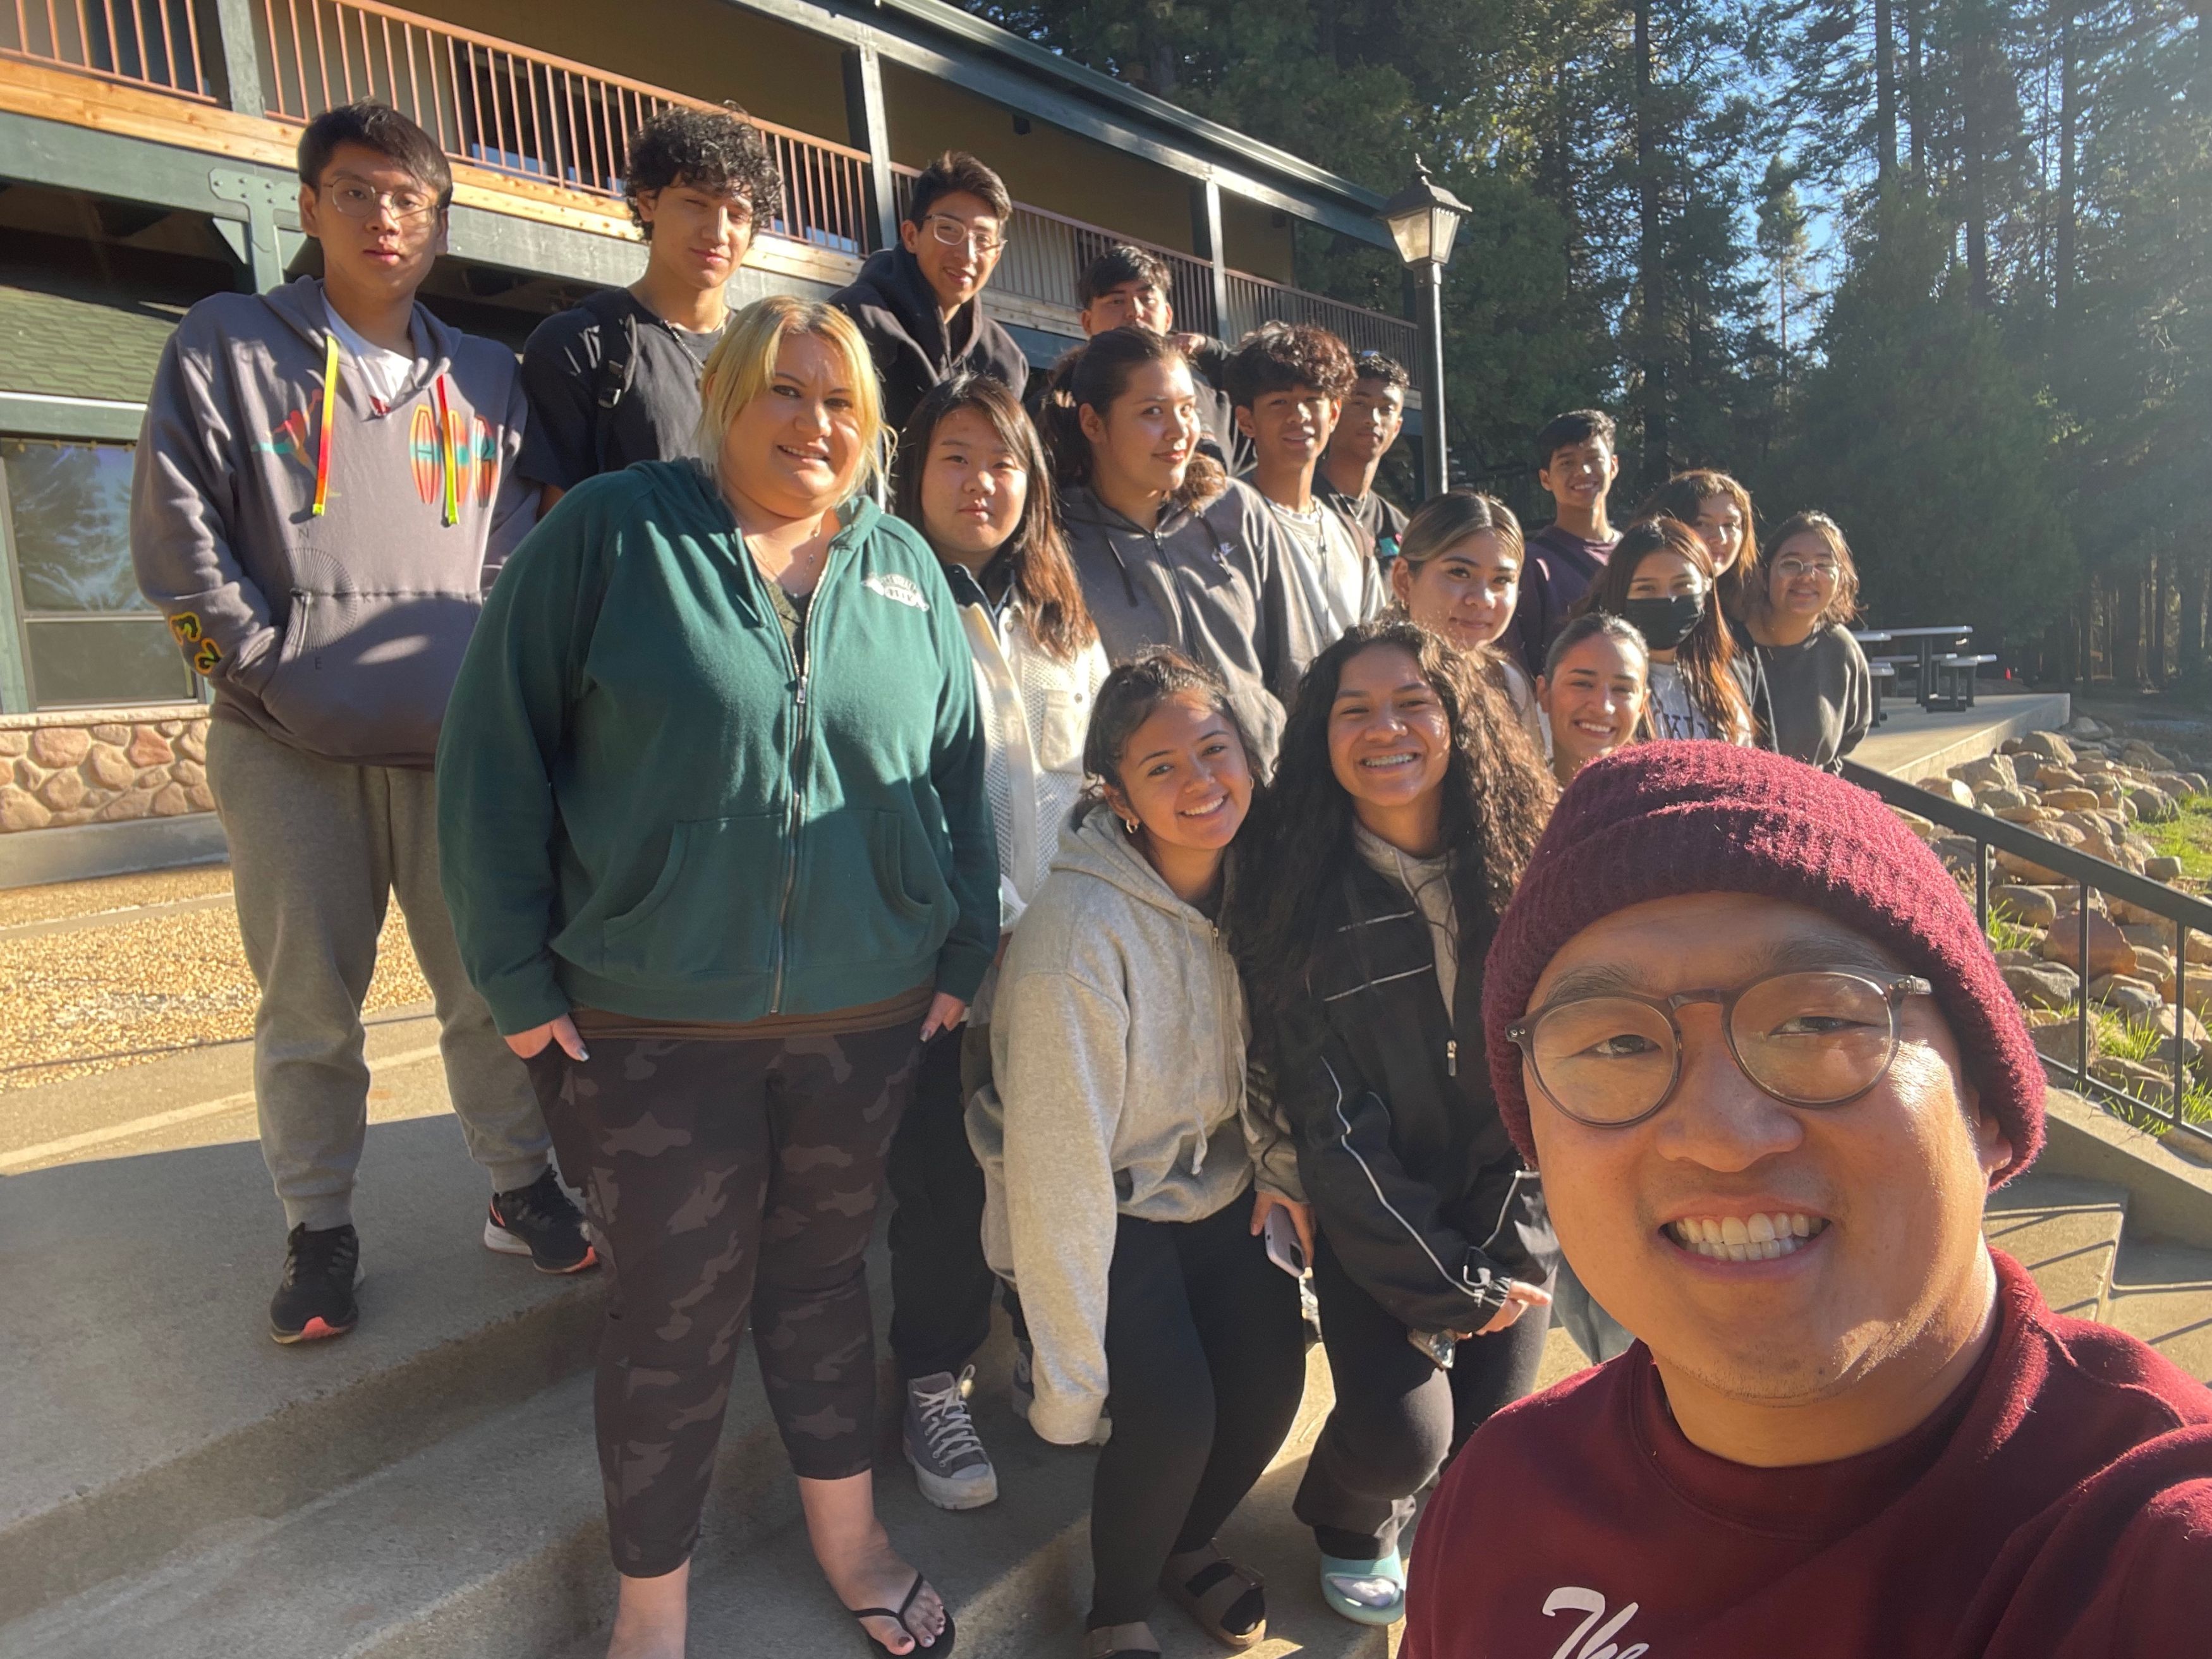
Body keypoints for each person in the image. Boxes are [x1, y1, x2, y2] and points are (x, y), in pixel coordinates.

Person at [435, 296, 995, 1659]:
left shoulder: (906, 569)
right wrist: (512, 976)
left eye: (843, 404)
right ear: (727, 397)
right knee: (672, 1315)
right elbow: (491, 761)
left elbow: (957, 780)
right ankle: (651, 1610)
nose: (816, 424)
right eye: (786, 393)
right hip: (650, 1022)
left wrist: (959, 939)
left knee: (816, 1283)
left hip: (862, 1017)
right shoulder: (612, 533)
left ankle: (849, 1537)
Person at [1403, 741, 2212, 1658]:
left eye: (1818, 1022)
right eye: (1615, 1046)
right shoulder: (1499, 1499)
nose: (1721, 1133)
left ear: (1985, 1104)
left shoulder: (2151, 1558)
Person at [129, 102, 580, 1347]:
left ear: (439, 221)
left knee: (491, 986)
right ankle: (318, 1228)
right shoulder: (228, 343)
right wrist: (264, 671)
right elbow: (177, 547)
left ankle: (520, 1185)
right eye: (359, 192)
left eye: (412, 199)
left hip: (454, 756)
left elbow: (517, 559)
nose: (387, 218)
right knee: (309, 1004)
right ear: (312, 205)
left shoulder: (488, 381)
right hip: (284, 747)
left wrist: (497, 700)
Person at [969, 651, 1310, 1659]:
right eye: (1162, 768)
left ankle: (1186, 1543)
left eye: (1216, 749)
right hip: (1097, 1201)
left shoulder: (1261, 887)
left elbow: (1284, 1051)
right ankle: (1116, 1608)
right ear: (1116, 795)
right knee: (1170, 1415)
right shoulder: (1079, 935)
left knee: (1269, 1382)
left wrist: (1281, 1172)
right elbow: (1057, 1164)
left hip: (1217, 1177)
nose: (1201, 782)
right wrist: (1071, 1377)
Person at [1230, 621, 1557, 1630]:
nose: (1387, 728)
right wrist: (1446, 1280)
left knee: (1493, 1431)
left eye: (1413, 701)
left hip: (1511, 1192)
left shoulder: (1524, 863)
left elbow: (1554, 1071)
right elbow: (1332, 1123)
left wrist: (1507, 1246)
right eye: (1354, 710)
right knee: (1402, 1436)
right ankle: (1343, 1511)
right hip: (1375, 1203)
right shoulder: (1298, 894)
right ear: (1321, 736)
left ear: (1458, 718)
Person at [885, 372, 1110, 1512]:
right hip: (942, 964)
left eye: (1006, 461)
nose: (984, 482)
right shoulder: (882, 597)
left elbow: (1100, 783)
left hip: (1062, 964)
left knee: (1048, 1166)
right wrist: (996, 927)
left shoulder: (1061, 619)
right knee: (934, 1176)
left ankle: (1039, 1343)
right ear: (915, 470)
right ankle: (932, 1376)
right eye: (958, 458)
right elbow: (890, 789)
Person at [1045, 326, 1313, 769]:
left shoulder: (1235, 510)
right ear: (1094, 423)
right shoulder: (1058, 539)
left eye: (1187, 410)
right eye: (1153, 412)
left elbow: (1298, 665)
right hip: (1143, 814)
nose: (1179, 432)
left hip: (1268, 798)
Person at [518, 105, 782, 507]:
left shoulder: (771, 353)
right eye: (697, 204)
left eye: (738, 214)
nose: (718, 232)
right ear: (647, 203)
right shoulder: (580, 344)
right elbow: (556, 524)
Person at [831, 150, 1028, 433]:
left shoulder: (1003, 359)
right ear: (912, 236)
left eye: (983, 239)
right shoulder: (854, 321)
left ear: (996, 256)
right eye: (948, 229)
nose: (968, 254)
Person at [1224, 323, 1384, 649]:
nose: (1298, 416)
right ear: (1246, 420)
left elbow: (1375, 648)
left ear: (1335, 413)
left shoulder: (1353, 538)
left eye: (1312, 400)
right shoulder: (1222, 523)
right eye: (1279, 402)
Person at [1577, 517, 1769, 745]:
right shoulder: (1590, 682)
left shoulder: (1725, 684)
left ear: (1706, 591)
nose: (1667, 600)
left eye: (1682, 586)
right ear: (1621, 593)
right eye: (1647, 588)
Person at [1066, 243, 1246, 470]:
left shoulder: (1214, 403)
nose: (1134, 312)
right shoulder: (1060, 403)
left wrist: (1210, 350)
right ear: (1087, 322)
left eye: (1147, 299)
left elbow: (1264, 388)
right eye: (1116, 301)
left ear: (1168, 316)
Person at [1389, 490, 1543, 746]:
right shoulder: (1363, 679)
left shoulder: (1510, 684)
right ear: (1404, 579)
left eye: (1501, 580)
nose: (1483, 598)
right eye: (1459, 573)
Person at [1743, 511, 1875, 771]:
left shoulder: (1841, 649)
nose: (1807, 575)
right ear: (1764, 575)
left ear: (1841, 578)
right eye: (1791, 563)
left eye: (1823, 565)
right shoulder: (1727, 647)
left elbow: (1849, 735)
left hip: (1807, 806)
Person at [1507, 410, 1623, 679]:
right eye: (1566, 463)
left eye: (1594, 459)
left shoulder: (1639, 556)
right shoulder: (1531, 566)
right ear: (1546, 479)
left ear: (1614, 466)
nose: (1583, 472)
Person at [1317, 352, 1411, 569]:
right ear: (1334, 413)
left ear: (1397, 427)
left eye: (1386, 409)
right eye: (1359, 403)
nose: (1373, 419)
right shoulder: (1297, 504)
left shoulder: (1400, 528)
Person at [1535, 613, 1651, 788]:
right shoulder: (1505, 804)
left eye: (1622, 689)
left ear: (1642, 704)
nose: (1603, 707)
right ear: (1544, 693)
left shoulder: (1657, 807)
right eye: (1582, 684)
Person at [1634, 468, 1759, 617]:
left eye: (1730, 525)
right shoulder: (1639, 607)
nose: (1720, 538)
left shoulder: (1750, 614)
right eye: (1701, 523)